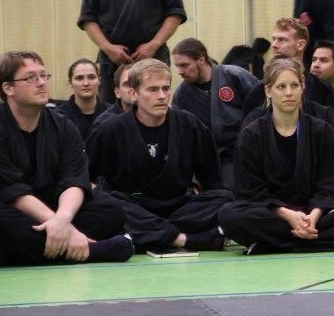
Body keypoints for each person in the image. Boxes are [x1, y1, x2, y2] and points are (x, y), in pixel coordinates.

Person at [0, 51, 133, 267]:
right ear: (8, 88)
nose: (41, 83)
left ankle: (9, 254)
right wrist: (69, 230)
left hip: (53, 204)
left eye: (43, 76)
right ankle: (93, 251)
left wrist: (63, 220)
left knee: (110, 210)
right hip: (13, 207)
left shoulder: (63, 126)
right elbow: (12, 192)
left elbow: (74, 180)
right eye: (31, 78)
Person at [217, 58, 334, 254]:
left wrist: (314, 215)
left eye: (294, 85)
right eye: (281, 87)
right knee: (229, 216)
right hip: (273, 213)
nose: (289, 93)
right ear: (268, 91)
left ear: (303, 86)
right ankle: (307, 240)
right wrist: (288, 215)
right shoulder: (251, 135)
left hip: (313, 213)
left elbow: (330, 183)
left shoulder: (322, 131)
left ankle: (273, 245)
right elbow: (250, 191)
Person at [86, 59, 232, 253]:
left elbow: (213, 181)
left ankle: (147, 236)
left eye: (166, 88)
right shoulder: (110, 129)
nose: (162, 96)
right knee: (108, 207)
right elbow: (85, 178)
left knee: (225, 199)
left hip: (179, 207)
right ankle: (185, 240)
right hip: (132, 207)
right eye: (153, 89)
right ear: (134, 94)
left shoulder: (190, 125)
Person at [171, 38, 262, 186]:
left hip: (249, 146)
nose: (180, 72)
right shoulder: (181, 96)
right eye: (177, 66)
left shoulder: (234, 75)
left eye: (184, 65)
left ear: (201, 60)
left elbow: (261, 105)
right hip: (214, 157)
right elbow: (181, 135)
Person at [241, 19, 334, 127]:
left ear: (300, 45)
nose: (274, 45)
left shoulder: (322, 89)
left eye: (282, 40)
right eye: (274, 39)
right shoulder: (259, 91)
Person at [57, 59, 108, 141]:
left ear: (99, 81)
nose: (86, 83)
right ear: (70, 83)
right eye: (79, 78)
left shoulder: (113, 114)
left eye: (91, 77)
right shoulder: (57, 117)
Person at [93, 62, 135, 127]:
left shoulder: (151, 118)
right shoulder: (104, 123)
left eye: (136, 83)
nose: (132, 89)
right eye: (127, 84)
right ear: (117, 92)